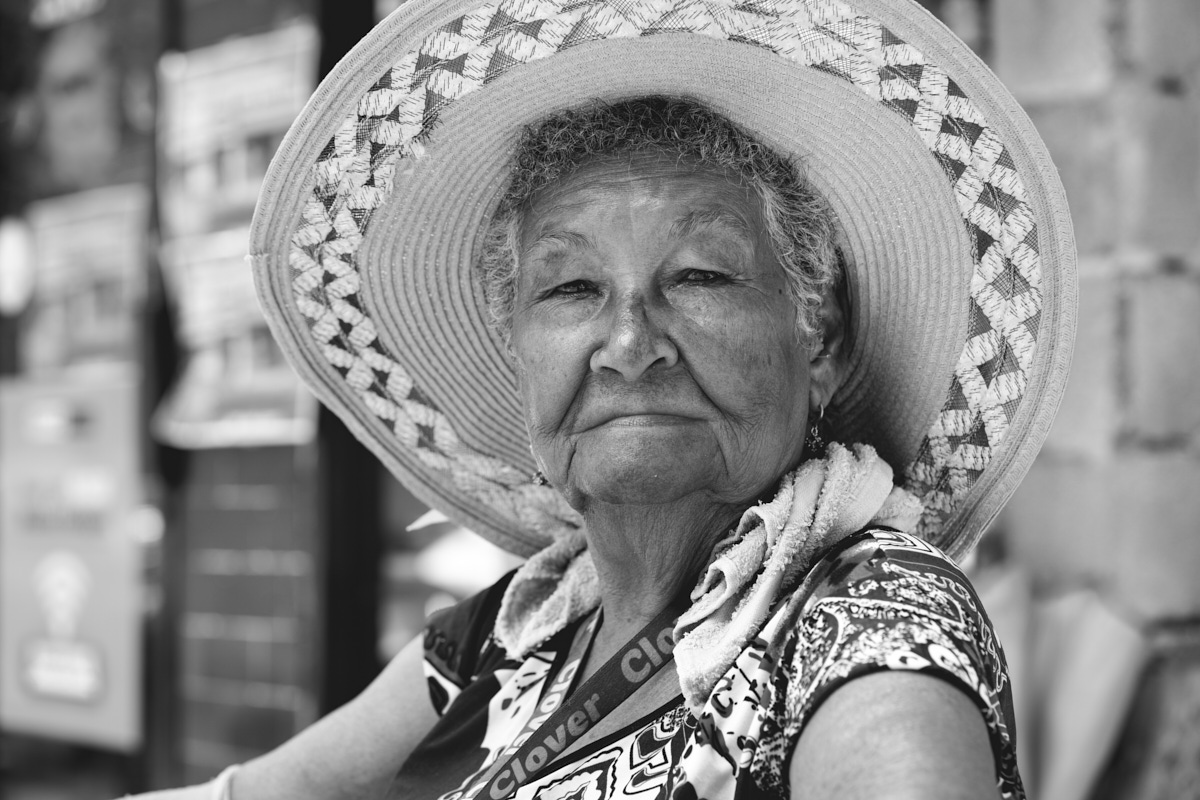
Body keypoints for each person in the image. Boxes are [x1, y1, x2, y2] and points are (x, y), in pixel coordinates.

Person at [137, 0, 1077, 797]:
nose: (629, 347)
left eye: (703, 275)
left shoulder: (869, 624)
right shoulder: (525, 627)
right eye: (571, 289)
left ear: (818, 340)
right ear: (518, 353)